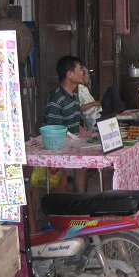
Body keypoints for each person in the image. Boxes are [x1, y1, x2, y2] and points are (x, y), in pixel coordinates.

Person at [43, 55, 87, 193]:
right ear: (69, 74)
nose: (82, 73)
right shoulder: (56, 99)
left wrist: (85, 135)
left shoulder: (73, 95)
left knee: (83, 162)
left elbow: (73, 121)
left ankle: (81, 202)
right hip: (58, 149)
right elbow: (53, 132)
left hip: (73, 145)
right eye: (79, 69)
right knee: (77, 164)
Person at [77, 65, 102, 131]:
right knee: (111, 91)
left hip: (99, 113)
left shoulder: (84, 88)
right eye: (87, 74)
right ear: (82, 75)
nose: (88, 76)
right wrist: (94, 103)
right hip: (96, 120)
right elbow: (80, 108)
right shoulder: (78, 89)